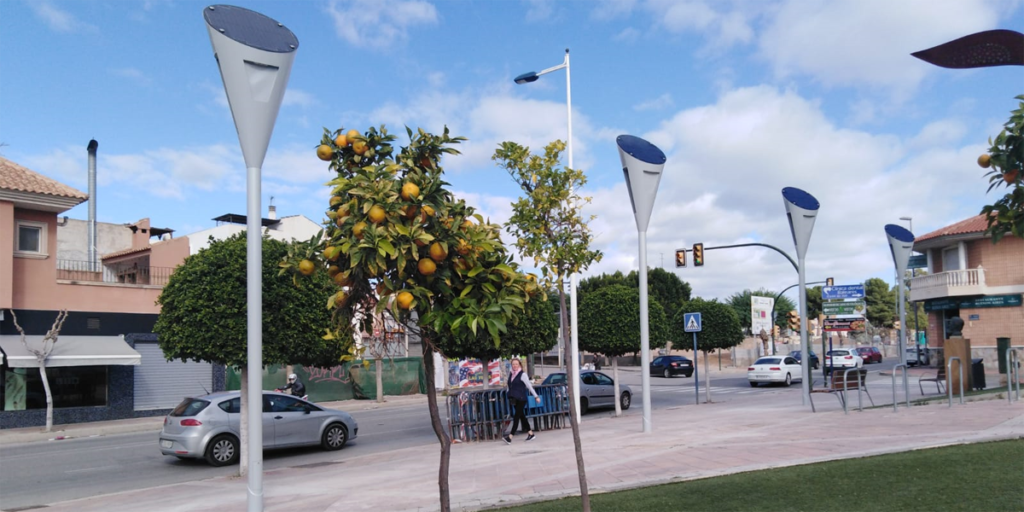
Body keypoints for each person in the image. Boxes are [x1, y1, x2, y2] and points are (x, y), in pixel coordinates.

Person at [504, 358, 539, 444]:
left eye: (516, 364)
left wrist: (536, 396)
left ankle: (510, 436)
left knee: (516, 416)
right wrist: (508, 393)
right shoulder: (511, 374)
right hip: (514, 399)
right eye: (513, 364)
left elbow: (529, 386)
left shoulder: (523, 375)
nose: (514, 366)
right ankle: (531, 433)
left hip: (521, 398)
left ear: (519, 365)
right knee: (521, 416)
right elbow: (509, 385)